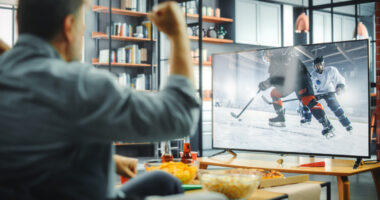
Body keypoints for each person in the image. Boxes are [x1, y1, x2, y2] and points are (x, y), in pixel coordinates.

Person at [0, 1, 226, 200]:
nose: (85, 29)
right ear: (68, 27)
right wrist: (178, 35)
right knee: (215, 198)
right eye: (83, 23)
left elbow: (32, 141)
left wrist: (109, 159)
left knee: (162, 181)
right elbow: (179, 115)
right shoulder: (80, 84)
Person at [258, 48, 335, 138]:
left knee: (308, 100)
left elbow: (277, 75)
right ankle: (281, 118)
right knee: (275, 93)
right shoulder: (275, 61)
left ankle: (327, 125)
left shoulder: (277, 56)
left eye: (265, 54)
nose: (265, 58)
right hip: (291, 81)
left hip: (301, 78)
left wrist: (266, 84)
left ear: (269, 52)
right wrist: (267, 83)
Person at [299, 56, 353, 132]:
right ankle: (307, 118)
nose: (317, 67)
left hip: (329, 92)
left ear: (322, 64)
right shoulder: (312, 75)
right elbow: (310, 86)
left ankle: (347, 125)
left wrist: (339, 87)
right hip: (318, 93)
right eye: (316, 65)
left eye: (319, 65)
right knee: (306, 102)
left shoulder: (331, 70)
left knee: (335, 107)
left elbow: (339, 79)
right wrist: (309, 94)